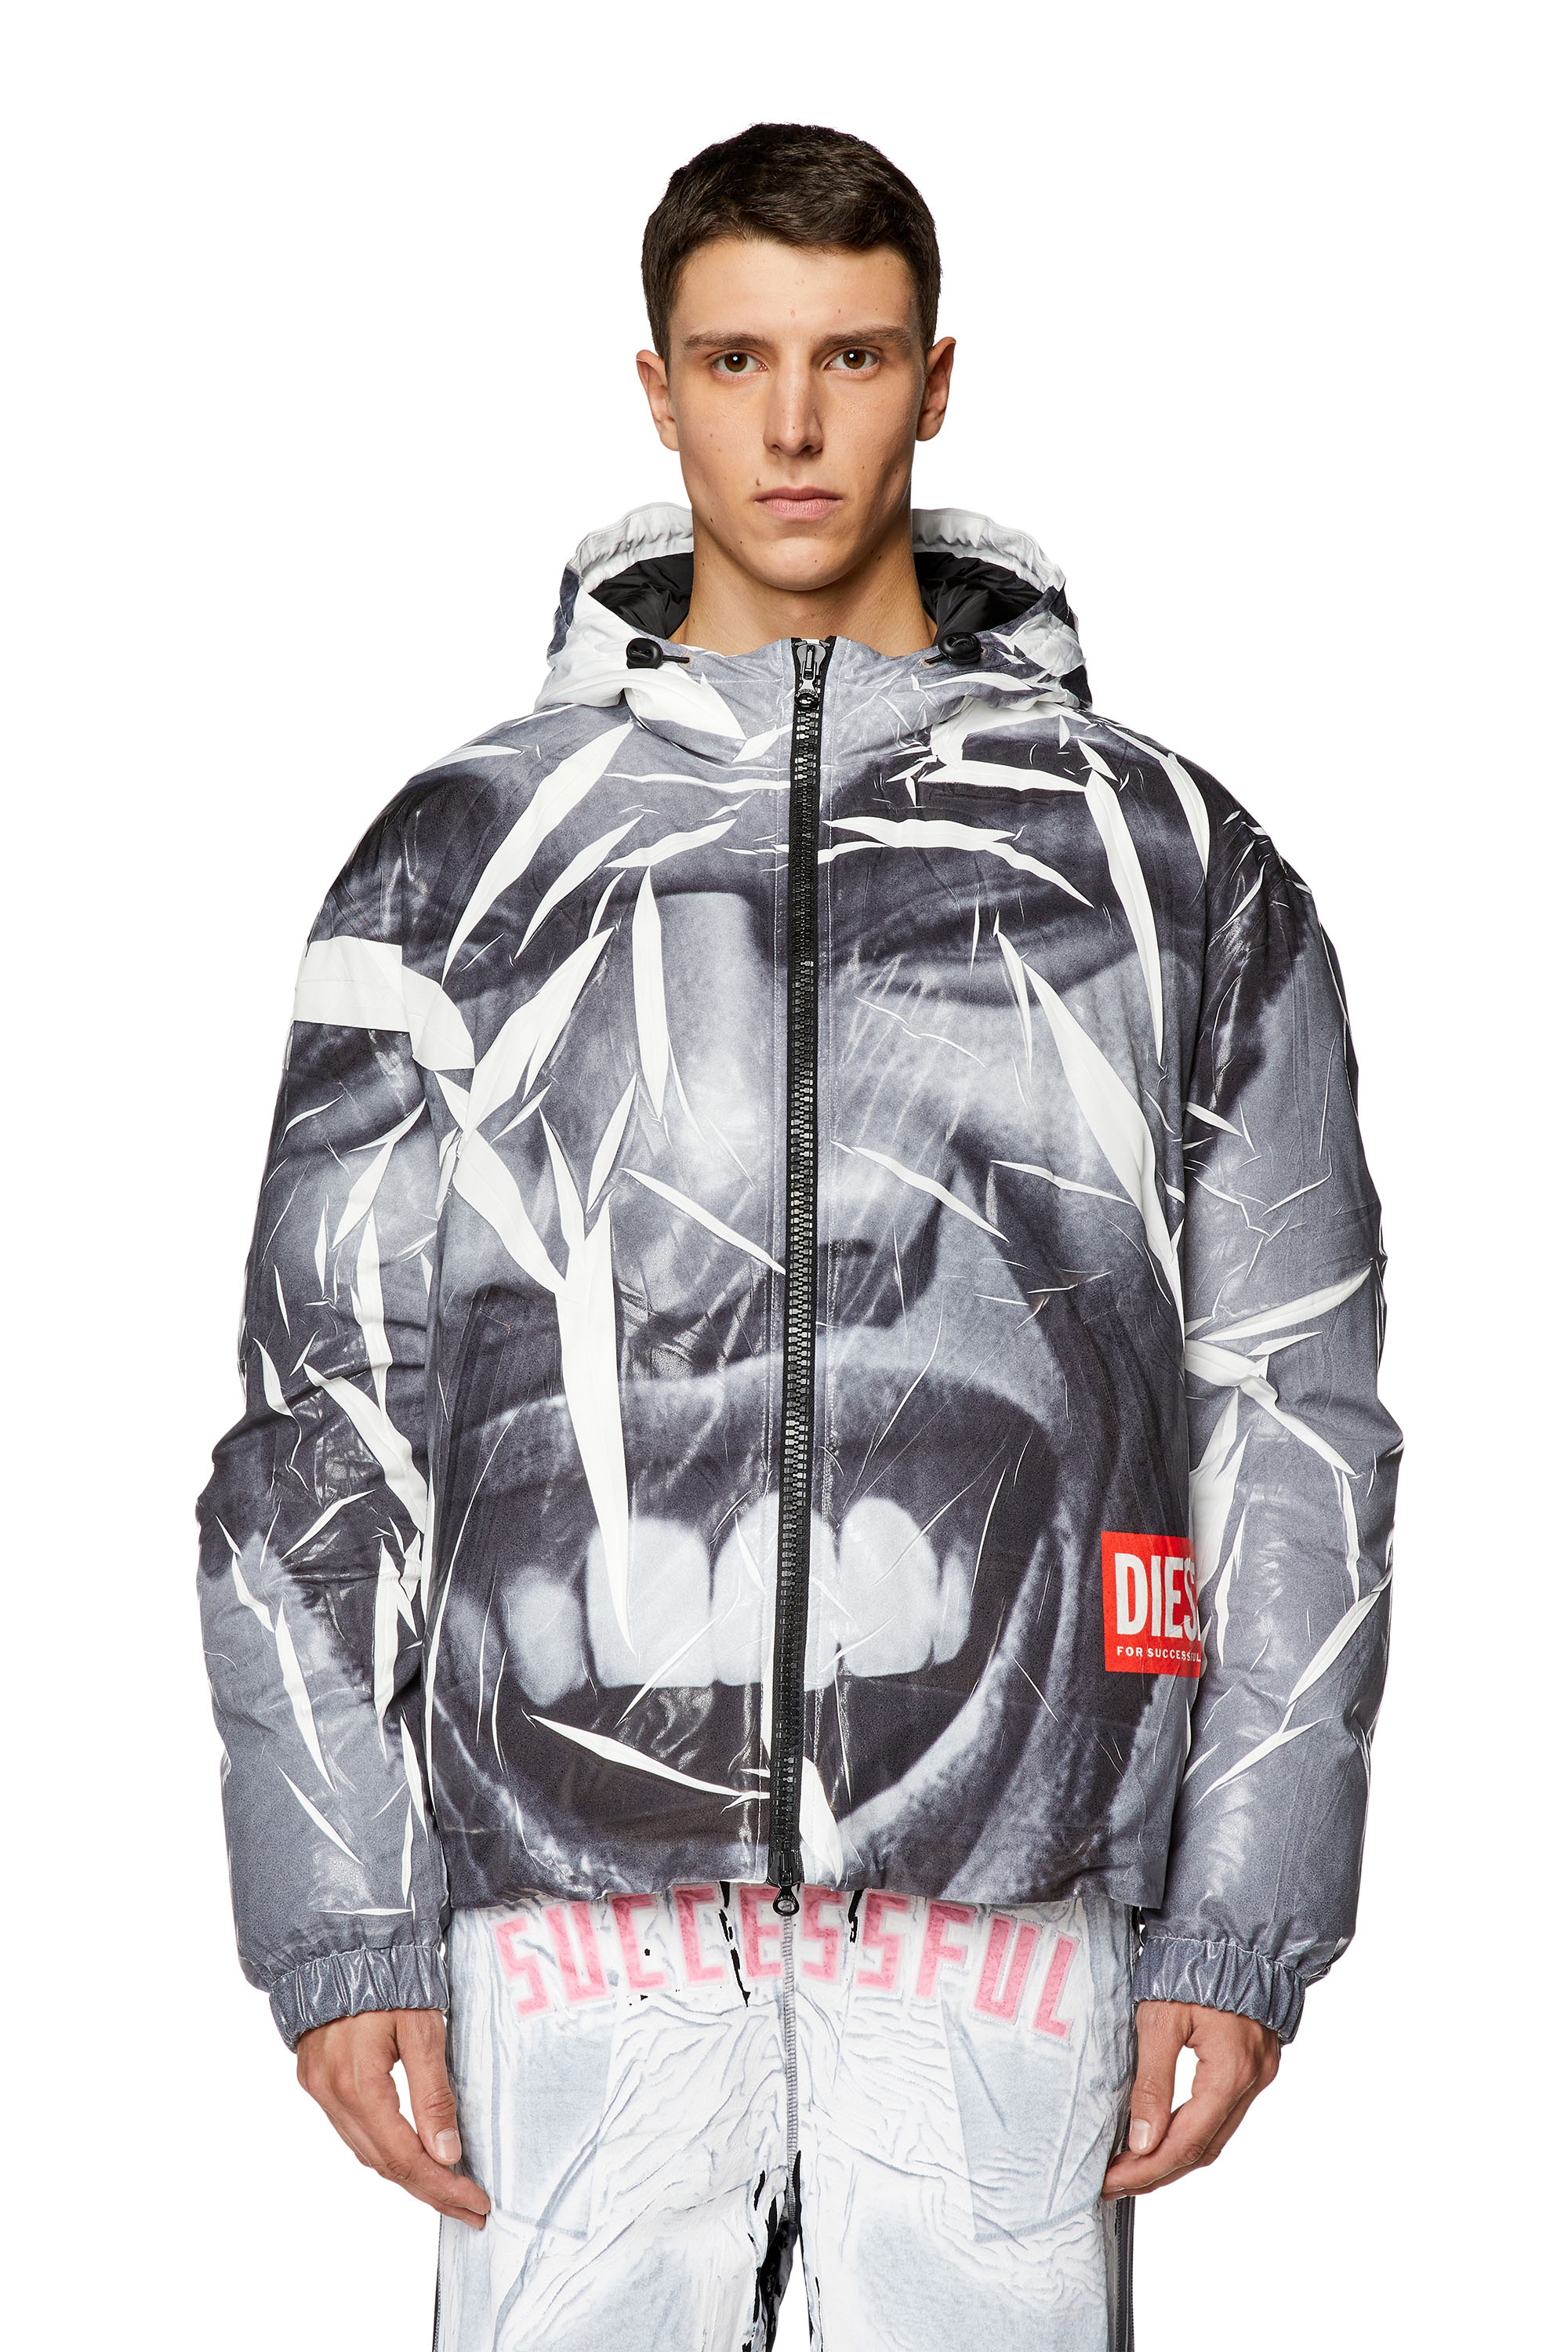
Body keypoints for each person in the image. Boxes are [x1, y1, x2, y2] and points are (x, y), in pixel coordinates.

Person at [198, 122, 1399, 2350]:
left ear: (936, 381)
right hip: (565, 1918)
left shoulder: (1168, 860)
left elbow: (1293, 1409)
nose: (794, 424)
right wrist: (340, 1917)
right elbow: (322, 1408)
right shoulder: (458, 854)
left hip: (1016, 1915)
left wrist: (1246, 1917)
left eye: (850, 357)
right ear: (654, 389)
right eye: (737, 360)